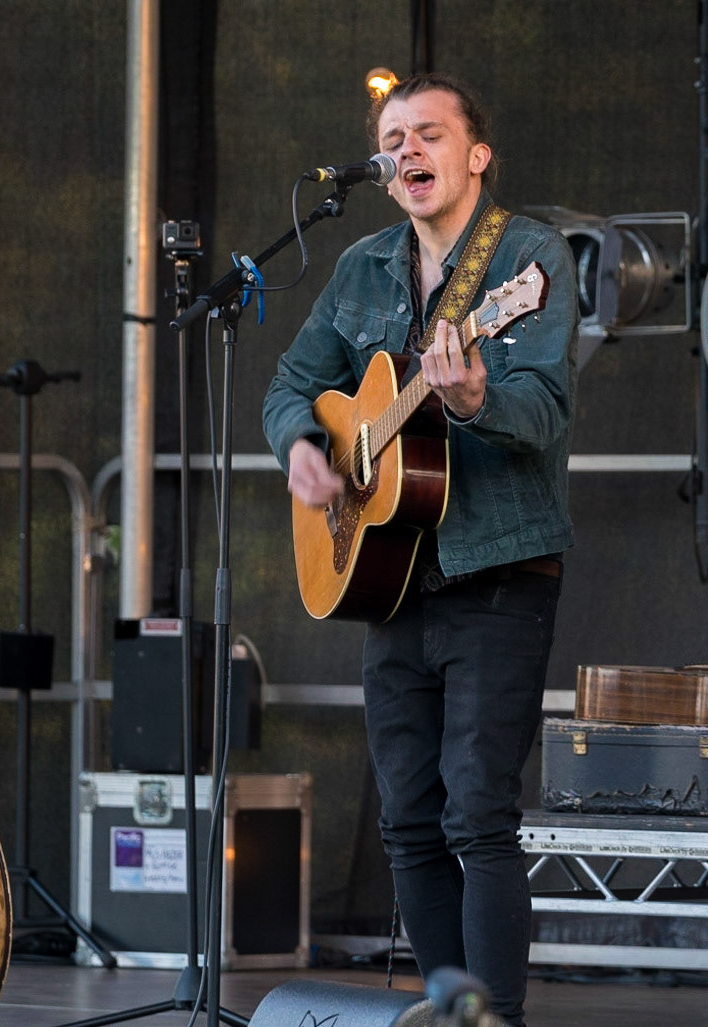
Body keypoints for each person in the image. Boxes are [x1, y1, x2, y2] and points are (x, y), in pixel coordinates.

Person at [262, 73, 575, 1026]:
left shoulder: (526, 259)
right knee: (405, 817)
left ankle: (495, 1018)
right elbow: (290, 382)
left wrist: (479, 399)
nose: (406, 151)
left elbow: (549, 409)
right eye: (392, 138)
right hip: (387, 576)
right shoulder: (361, 264)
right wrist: (306, 452)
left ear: (474, 155)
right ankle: (444, 1012)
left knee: (476, 812)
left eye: (427, 133)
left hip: (496, 569)